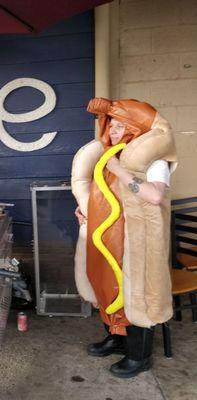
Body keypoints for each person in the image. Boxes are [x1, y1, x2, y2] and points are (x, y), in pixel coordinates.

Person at [71, 98, 177, 378]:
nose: (114, 132)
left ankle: (139, 356)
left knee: (136, 295)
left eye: (121, 126)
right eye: (112, 126)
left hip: (135, 243)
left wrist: (120, 169)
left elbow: (154, 196)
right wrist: (85, 208)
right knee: (106, 286)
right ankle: (115, 339)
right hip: (107, 238)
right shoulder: (106, 161)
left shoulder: (154, 162)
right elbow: (103, 195)